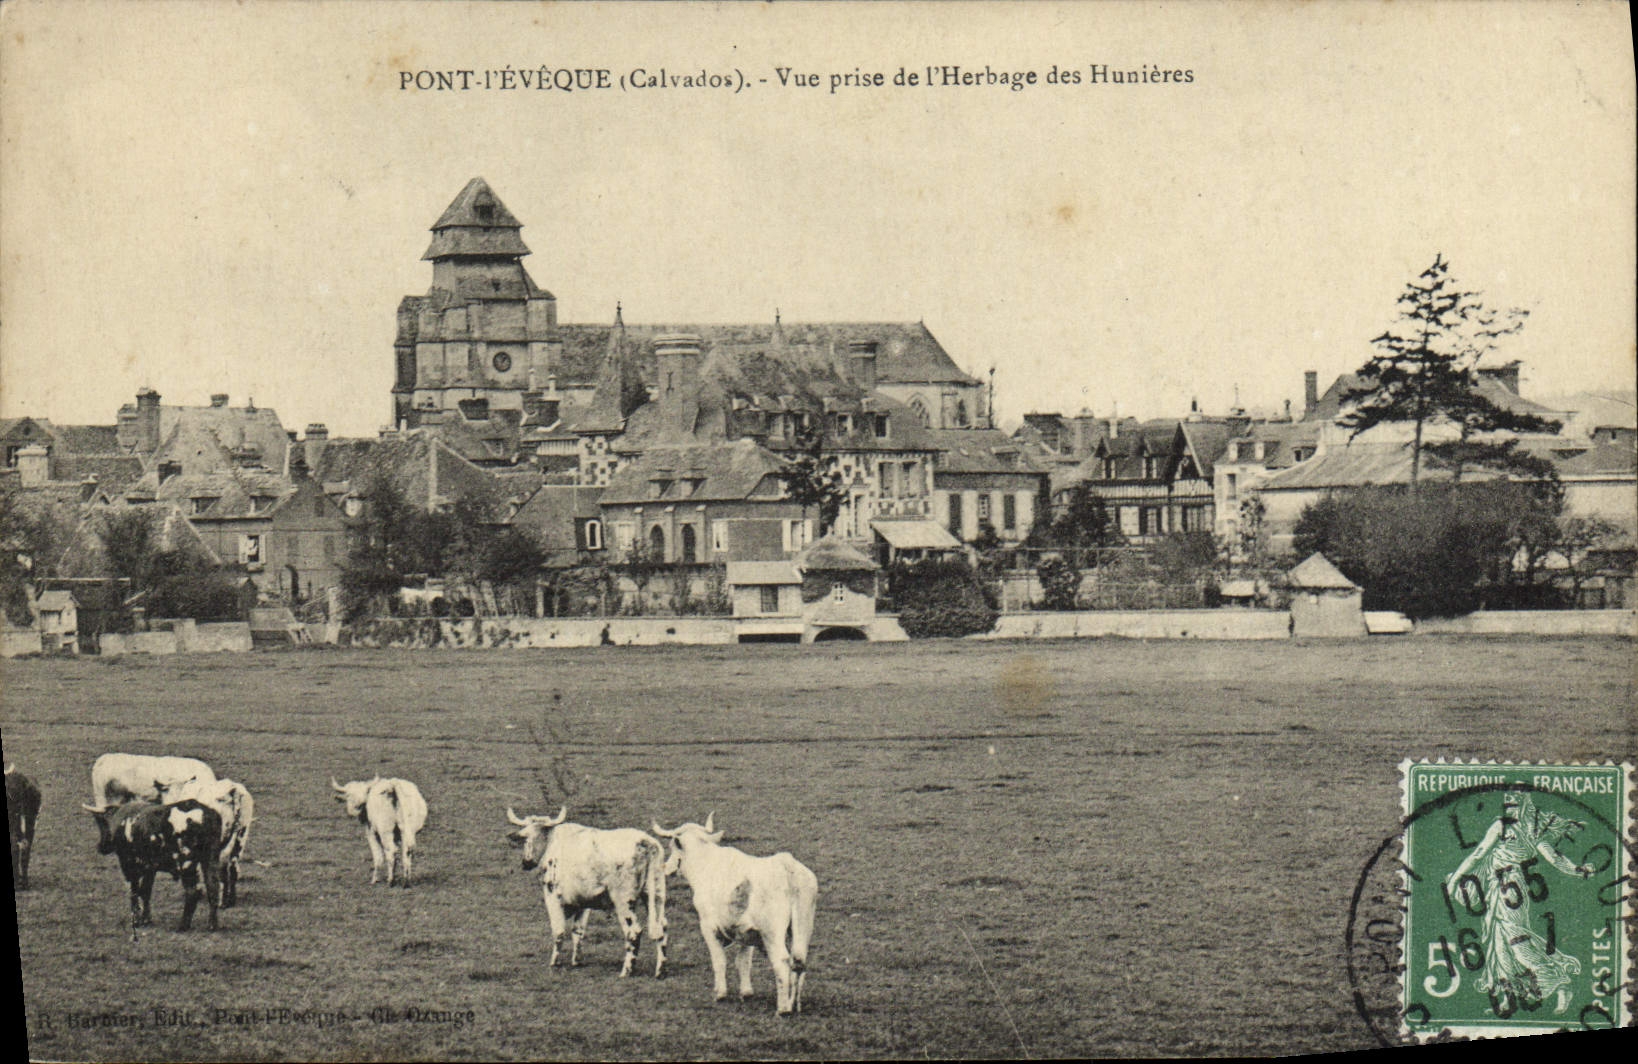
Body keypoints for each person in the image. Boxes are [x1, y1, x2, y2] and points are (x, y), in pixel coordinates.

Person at [1444, 790, 1596, 1014]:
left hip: (1509, 888)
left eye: (1514, 804)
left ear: (1524, 805)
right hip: (1504, 887)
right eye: (1507, 803)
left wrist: (1454, 879)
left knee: (1516, 941)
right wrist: (1578, 870)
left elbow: (1478, 855)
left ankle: (1560, 983)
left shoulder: (1508, 826)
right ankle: (1508, 997)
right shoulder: (1531, 828)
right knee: (1499, 943)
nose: (1509, 808)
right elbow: (1553, 857)